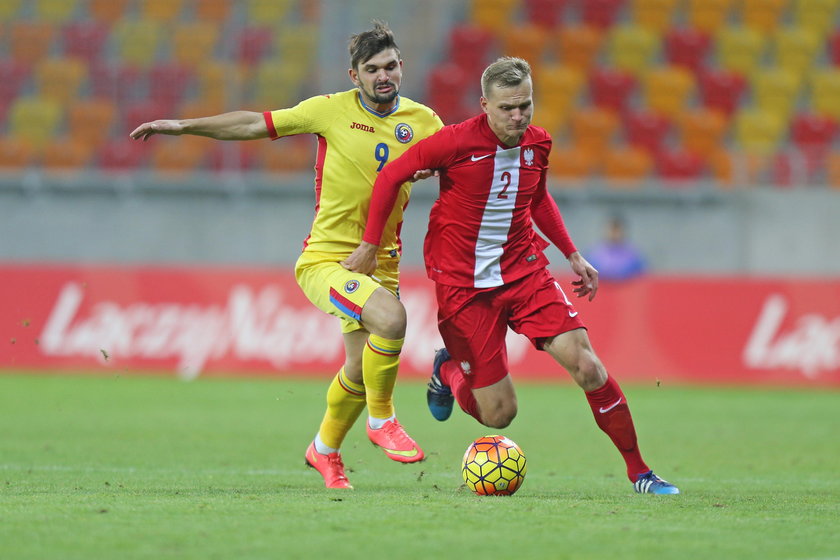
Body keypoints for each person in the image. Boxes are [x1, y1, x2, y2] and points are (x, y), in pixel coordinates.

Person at [130, 21, 444, 489]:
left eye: (391, 66)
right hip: (328, 261)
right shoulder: (328, 110)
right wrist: (183, 126)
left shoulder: (424, 122)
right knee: (392, 320)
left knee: (359, 370)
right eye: (373, 68)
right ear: (353, 75)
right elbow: (254, 123)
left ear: (402, 67)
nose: (385, 76)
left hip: (383, 261)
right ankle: (383, 420)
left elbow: (456, 167)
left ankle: (324, 450)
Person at [344, 57, 679, 495]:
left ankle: (641, 472)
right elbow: (390, 177)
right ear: (485, 105)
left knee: (588, 366)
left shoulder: (538, 143)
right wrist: (370, 244)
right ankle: (448, 372)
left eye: (525, 105)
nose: (518, 116)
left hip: (525, 274)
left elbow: (538, 197)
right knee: (499, 414)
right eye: (507, 108)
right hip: (465, 288)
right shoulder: (454, 143)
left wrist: (573, 254)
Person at [586, 214, 647, 281]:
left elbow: (643, 278)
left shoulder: (634, 255)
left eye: (617, 230)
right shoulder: (593, 254)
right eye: (611, 229)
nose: (613, 233)